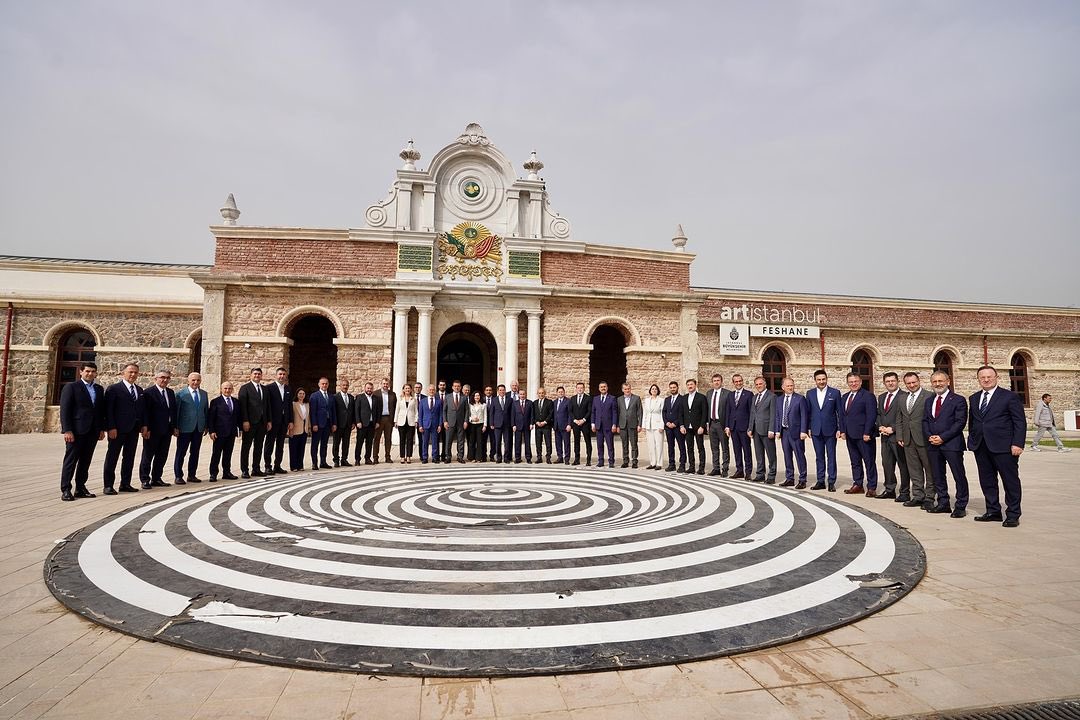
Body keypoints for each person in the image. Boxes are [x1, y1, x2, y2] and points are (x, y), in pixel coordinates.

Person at [969, 366, 1027, 527]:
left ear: (996, 377)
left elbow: (1019, 422)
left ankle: (1013, 514)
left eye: (989, 377)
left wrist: (1017, 443)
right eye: (982, 377)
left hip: (1004, 447)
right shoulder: (974, 398)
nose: (986, 380)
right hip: (981, 446)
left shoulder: (1009, 397)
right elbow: (973, 422)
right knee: (987, 481)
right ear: (978, 379)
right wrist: (972, 441)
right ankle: (993, 511)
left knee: (1010, 481)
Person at [923, 371, 969, 518]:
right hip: (933, 444)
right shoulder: (929, 401)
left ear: (948, 381)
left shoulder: (958, 400)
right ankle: (943, 503)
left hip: (952, 444)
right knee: (938, 475)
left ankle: (961, 505)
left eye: (940, 381)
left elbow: (960, 422)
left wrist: (942, 437)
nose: (938, 384)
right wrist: (930, 436)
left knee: (958, 475)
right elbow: (925, 421)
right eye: (935, 381)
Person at [59, 361, 105, 501]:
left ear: (96, 373)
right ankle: (66, 489)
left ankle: (80, 487)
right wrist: (67, 430)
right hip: (76, 431)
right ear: (81, 372)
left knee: (85, 461)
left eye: (93, 371)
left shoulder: (98, 389)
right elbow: (65, 410)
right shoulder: (71, 387)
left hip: (92, 431)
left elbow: (99, 411)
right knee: (71, 460)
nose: (90, 374)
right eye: (87, 371)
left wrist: (101, 428)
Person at [103, 362, 145, 494]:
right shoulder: (113, 389)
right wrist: (111, 427)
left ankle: (125, 483)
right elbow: (108, 410)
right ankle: (108, 485)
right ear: (123, 373)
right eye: (130, 372)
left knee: (129, 457)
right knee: (112, 457)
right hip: (117, 429)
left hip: (133, 430)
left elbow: (140, 410)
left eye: (135, 373)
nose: (133, 375)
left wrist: (143, 425)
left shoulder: (139, 390)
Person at [897, 372, 934, 508]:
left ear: (919, 381)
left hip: (924, 438)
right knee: (914, 469)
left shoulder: (929, 396)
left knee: (929, 469)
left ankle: (929, 497)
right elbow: (899, 418)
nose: (912, 385)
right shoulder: (902, 398)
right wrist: (900, 436)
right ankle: (918, 496)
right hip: (907, 439)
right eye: (909, 383)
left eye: (914, 382)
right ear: (905, 384)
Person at [137, 369, 177, 489]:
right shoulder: (148, 392)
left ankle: (157, 478)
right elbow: (145, 412)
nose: (164, 380)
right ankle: (145, 479)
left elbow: (173, 411)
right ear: (156, 379)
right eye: (162, 377)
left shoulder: (170, 392)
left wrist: (174, 427)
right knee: (148, 455)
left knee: (162, 455)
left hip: (166, 430)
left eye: (167, 378)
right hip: (152, 430)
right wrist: (146, 428)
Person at [840, 372, 879, 496]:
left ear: (861, 382)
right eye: (851, 382)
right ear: (847, 383)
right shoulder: (845, 397)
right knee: (855, 461)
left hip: (864, 435)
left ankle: (872, 487)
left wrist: (867, 432)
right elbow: (842, 416)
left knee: (869, 461)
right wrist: (842, 431)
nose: (853, 384)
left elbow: (871, 415)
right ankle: (858, 484)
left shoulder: (868, 396)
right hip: (850, 435)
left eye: (856, 381)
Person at [875, 372, 909, 501]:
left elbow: (906, 417)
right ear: (884, 383)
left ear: (897, 381)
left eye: (893, 381)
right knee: (887, 464)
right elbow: (879, 414)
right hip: (885, 437)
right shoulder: (882, 397)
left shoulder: (904, 396)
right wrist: (880, 426)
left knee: (903, 465)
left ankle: (905, 492)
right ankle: (889, 490)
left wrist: (893, 428)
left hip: (898, 437)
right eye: (888, 381)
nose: (890, 383)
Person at [807, 369, 842, 491]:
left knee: (831, 456)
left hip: (831, 430)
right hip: (816, 430)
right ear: (815, 380)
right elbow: (808, 412)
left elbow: (840, 412)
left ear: (826, 379)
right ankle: (820, 481)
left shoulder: (835, 393)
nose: (821, 381)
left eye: (823, 379)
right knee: (819, 456)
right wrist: (809, 428)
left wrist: (840, 428)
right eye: (819, 380)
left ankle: (831, 481)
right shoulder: (810, 393)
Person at [173, 372, 209, 485]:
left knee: (195, 452)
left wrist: (206, 426)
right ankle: (178, 476)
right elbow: (176, 412)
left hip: (198, 428)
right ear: (188, 381)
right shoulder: (181, 394)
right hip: (184, 428)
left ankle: (192, 475)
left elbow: (205, 411)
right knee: (181, 452)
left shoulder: (204, 394)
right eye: (193, 380)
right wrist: (176, 427)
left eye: (198, 380)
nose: (195, 382)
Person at [773, 377, 809, 488]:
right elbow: (778, 416)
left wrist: (803, 431)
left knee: (799, 456)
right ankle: (790, 478)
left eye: (792, 385)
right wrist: (777, 430)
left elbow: (804, 416)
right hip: (784, 432)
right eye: (788, 386)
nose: (790, 388)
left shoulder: (800, 399)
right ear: (783, 387)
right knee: (787, 456)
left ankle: (802, 479)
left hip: (797, 433)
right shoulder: (779, 400)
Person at [237, 367, 271, 478]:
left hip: (262, 422)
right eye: (255, 374)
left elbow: (267, 406)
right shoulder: (245, 388)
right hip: (250, 422)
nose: (257, 376)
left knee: (258, 446)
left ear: (261, 376)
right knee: (246, 447)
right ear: (251, 375)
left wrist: (269, 421)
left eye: (259, 374)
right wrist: (245, 420)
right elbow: (243, 406)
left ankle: (256, 469)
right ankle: (244, 470)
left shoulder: (265, 389)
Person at [208, 381, 241, 481]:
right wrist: (211, 431)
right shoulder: (215, 402)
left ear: (232, 389)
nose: (227, 390)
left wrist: (239, 429)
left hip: (231, 432)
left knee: (228, 453)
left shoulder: (236, 402)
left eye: (229, 388)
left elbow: (238, 417)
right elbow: (211, 418)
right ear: (221, 389)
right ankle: (213, 474)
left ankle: (226, 472)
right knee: (216, 454)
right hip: (219, 433)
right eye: (225, 388)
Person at [263, 367, 292, 476]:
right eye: (280, 374)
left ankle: (277, 465)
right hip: (273, 421)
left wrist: (290, 421)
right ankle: (267, 466)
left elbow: (289, 406)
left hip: (284, 422)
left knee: (280, 445)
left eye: (284, 374)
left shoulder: (288, 388)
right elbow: (267, 406)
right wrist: (268, 420)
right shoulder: (269, 388)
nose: (282, 376)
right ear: (276, 375)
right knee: (269, 444)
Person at [724, 374, 753, 479]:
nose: (738, 383)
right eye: (736, 381)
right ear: (733, 383)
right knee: (736, 450)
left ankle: (748, 472)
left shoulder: (749, 394)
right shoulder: (730, 395)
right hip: (733, 427)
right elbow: (728, 411)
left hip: (744, 427)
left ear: (742, 381)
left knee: (746, 450)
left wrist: (750, 427)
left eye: (740, 381)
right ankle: (739, 470)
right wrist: (727, 426)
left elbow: (751, 412)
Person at [749, 376, 777, 484]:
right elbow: (752, 413)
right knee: (759, 454)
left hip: (767, 430)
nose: (758, 386)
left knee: (771, 454)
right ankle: (760, 474)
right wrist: (750, 428)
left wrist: (771, 429)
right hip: (756, 430)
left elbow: (773, 414)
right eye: (756, 384)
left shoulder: (772, 396)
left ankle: (771, 475)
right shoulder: (755, 397)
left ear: (765, 384)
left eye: (760, 384)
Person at [679, 378, 708, 474]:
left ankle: (701, 468)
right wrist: (682, 426)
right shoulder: (684, 398)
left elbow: (705, 413)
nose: (690, 386)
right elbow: (681, 413)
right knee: (689, 448)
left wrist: (702, 426)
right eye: (688, 385)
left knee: (700, 448)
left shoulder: (701, 397)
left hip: (698, 427)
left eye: (691, 384)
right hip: (687, 427)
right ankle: (691, 466)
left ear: (695, 385)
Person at [706, 374, 731, 477]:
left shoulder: (727, 394)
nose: (716, 382)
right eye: (714, 380)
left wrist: (728, 426)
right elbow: (707, 409)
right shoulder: (709, 393)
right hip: (712, 423)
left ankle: (725, 469)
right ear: (712, 382)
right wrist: (707, 423)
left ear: (721, 381)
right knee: (714, 447)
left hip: (722, 424)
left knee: (725, 447)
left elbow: (729, 411)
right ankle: (716, 468)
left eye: (718, 380)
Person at [308, 377, 336, 470]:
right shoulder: (314, 396)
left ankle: (323, 462)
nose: (324, 385)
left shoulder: (331, 396)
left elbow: (333, 411)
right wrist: (314, 424)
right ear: (319, 384)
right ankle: (314, 463)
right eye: (323, 383)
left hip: (328, 424)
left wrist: (334, 423)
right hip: (318, 424)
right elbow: (312, 412)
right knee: (315, 444)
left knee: (324, 444)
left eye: (326, 384)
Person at [617, 382, 643, 469]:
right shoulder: (619, 399)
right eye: (625, 389)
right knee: (624, 444)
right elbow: (617, 413)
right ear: (622, 390)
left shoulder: (636, 398)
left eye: (628, 389)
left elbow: (640, 412)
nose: (627, 390)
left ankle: (634, 461)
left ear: (630, 389)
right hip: (622, 424)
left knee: (634, 444)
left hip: (633, 424)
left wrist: (639, 424)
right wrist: (617, 425)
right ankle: (625, 461)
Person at [591, 381, 617, 468]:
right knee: (599, 444)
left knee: (610, 444)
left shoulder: (612, 398)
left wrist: (614, 424)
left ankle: (611, 461)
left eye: (604, 387)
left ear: (607, 388)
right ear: (599, 388)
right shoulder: (595, 399)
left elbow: (614, 412)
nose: (603, 388)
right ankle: (600, 461)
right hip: (598, 425)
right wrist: (593, 424)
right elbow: (593, 412)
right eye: (601, 387)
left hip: (608, 425)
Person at [354, 382, 380, 465]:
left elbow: (378, 411)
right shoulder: (359, 397)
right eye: (368, 388)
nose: (369, 390)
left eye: (371, 388)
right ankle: (357, 459)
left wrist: (377, 422)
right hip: (362, 424)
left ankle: (367, 458)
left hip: (372, 424)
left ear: (373, 389)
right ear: (365, 388)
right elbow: (356, 410)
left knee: (369, 443)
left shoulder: (376, 398)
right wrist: (358, 421)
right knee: (359, 443)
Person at [442, 380, 468, 463]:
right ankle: (448, 457)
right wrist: (445, 421)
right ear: (452, 387)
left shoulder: (464, 397)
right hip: (450, 422)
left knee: (461, 440)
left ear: (460, 387)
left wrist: (466, 421)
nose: (457, 387)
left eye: (458, 386)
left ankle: (460, 456)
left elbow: (467, 410)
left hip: (461, 422)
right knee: (448, 440)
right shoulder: (447, 397)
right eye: (455, 386)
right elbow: (444, 410)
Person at [663, 381, 686, 472]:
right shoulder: (667, 399)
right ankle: (671, 464)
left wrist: (675, 423)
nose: (672, 389)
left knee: (681, 446)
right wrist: (667, 423)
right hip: (668, 427)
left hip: (677, 426)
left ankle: (682, 465)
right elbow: (664, 412)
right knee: (670, 446)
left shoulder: (682, 399)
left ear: (677, 388)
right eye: (671, 387)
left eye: (674, 387)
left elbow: (682, 413)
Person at [331, 379, 355, 467]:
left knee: (346, 443)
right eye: (343, 385)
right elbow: (333, 411)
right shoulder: (335, 397)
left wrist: (353, 422)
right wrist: (334, 424)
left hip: (348, 425)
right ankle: (336, 460)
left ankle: (344, 459)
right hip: (338, 425)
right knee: (336, 443)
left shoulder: (351, 397)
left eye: (346, 385)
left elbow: (353, 411)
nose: (345, 387)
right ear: (340, 386)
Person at [418, 383, 443, 463]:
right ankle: (425, 457)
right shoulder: (422, 401)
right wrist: (420, 425)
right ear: (427, 391)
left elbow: (440, 414)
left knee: (435, 442)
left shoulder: (439, 402)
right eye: (430, 390)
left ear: (435, 391)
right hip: (425, 424)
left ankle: (435, 457)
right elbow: (420, 415)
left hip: (435, 425)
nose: (432, 391)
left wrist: (440, 425)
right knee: (424, 442)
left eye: (433, 390)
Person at [374, 377, 397, 463]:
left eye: (387, 384)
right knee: (377, 439)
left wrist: (394, 420)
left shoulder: (393, 394)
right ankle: (375, 458)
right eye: (384, 384)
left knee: (388, 439)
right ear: (381, 384)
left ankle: (388, 457)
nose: (385, 385)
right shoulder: (375, 394)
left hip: (389, 419)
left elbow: (395, 408)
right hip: (379, 420)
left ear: (389, 385)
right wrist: (375, 421)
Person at [642, 384, 665, 470]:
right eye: (652, 389)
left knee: (659, 445)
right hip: (649, 425)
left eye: (655, 389)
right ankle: (653, 462)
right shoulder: (647, 400)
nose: (654, 390)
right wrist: (643, 425)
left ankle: (659, 463)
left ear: (658, 390)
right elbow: (645, 413)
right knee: (651, 445)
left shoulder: (661, 400)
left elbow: (663, 413)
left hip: (658, 424)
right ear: (650, 390)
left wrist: (662, 425)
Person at [486, 384, 511, 463]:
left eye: (503, 390)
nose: (502, 391)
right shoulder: (494, 400)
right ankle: (499, 457)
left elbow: (512, 413)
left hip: (507, 424)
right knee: (497, 442)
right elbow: (491, 413)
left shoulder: (509, 400)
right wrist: (491, 423)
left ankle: (506, 458)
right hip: (497, 424)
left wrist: (512, 423)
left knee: (507, 442)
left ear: (505, 391)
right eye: (500, 390)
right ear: (498, 391)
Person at [570, 382, 593, 466]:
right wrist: (575, 420)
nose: (580, 389)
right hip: (576, 423)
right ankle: (577, 459)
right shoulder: (572, 398)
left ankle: (588, 459)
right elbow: (570, 411)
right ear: (576, 389)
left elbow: (589, 410)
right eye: (578, 388)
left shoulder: (588, 398)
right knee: (576, 441)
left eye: (581, 388)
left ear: (584, 389)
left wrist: (583, 420)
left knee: (588, 441)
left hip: (585, 423)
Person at [395, 383, 418, 463]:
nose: (407, 390)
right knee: (402, 440)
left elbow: (416, 411)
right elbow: (397, 410)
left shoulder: (414, 399)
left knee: (410, 440)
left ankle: (408, 456)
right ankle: (402, 456)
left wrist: (416, 421)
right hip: (401, 422)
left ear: (411, 390)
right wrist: (395, 421)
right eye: (406, 388)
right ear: (403, 390)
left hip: (411, 422)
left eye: (409, 388)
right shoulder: (400, 399)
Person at [288, 388, 311, 471]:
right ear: (297, 395)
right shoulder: (293, 404)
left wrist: (308, 428)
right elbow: (290, 416)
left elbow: (308, 417)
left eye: (303, 394)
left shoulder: (307, 404)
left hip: (304, 429)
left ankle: (300, 465)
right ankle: (293, 466)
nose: (301, 395)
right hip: (295, 429)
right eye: (300, 393)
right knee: (294, 448)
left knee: (301, 449)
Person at [511, 384, 535, 463]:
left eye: (523, 394)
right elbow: (513, 415)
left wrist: (531, 423)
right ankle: (517, 458)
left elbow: (532, 414)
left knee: (527, 442)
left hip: (527, 425)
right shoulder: (515, 403)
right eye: (520, 394)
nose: (522, 395)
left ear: (526, 394)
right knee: (517, 442)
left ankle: (528, 458)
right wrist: (513, 425)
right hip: (517, 426)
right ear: (518, 395)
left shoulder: (530, 403)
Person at [533, 386, 554, 463]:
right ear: (537, 394)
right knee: (538, 443)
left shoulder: (549, 402)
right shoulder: (534, 403)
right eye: (539, 393)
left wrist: (545, 422)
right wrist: (536, 422)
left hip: (546, 426)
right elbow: (533, 414)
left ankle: (548, 457)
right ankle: (539, 457)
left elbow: (551, 414)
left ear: (545, 393)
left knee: (548, 442)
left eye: (542, 393)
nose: (541, 394)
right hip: (538, 426)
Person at [553, 386, 571, 464]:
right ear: (557, 393)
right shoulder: (555, 402)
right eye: (559, 392)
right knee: (558, 443)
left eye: (562, 392)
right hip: (556, 426)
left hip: (565, 426)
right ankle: (560, 457)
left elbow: (570, 414)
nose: (560, 393)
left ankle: (566, 459)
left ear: (564, 392)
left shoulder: (568, 401)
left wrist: (569, 424)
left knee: (566, 443)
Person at [467, 391, 486, 462]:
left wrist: (485, 425)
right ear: (473, 397)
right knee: (471, 441)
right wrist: (471, 419)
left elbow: (485, 416)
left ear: (480, 397)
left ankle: (479, 457)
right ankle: (472, 457)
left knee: (479, 441)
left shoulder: (483, 405)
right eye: (475, 396)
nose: (477, 397)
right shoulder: (470, 405)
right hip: (472, 425)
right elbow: (468, 415)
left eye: (478, 396)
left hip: (480, 425)